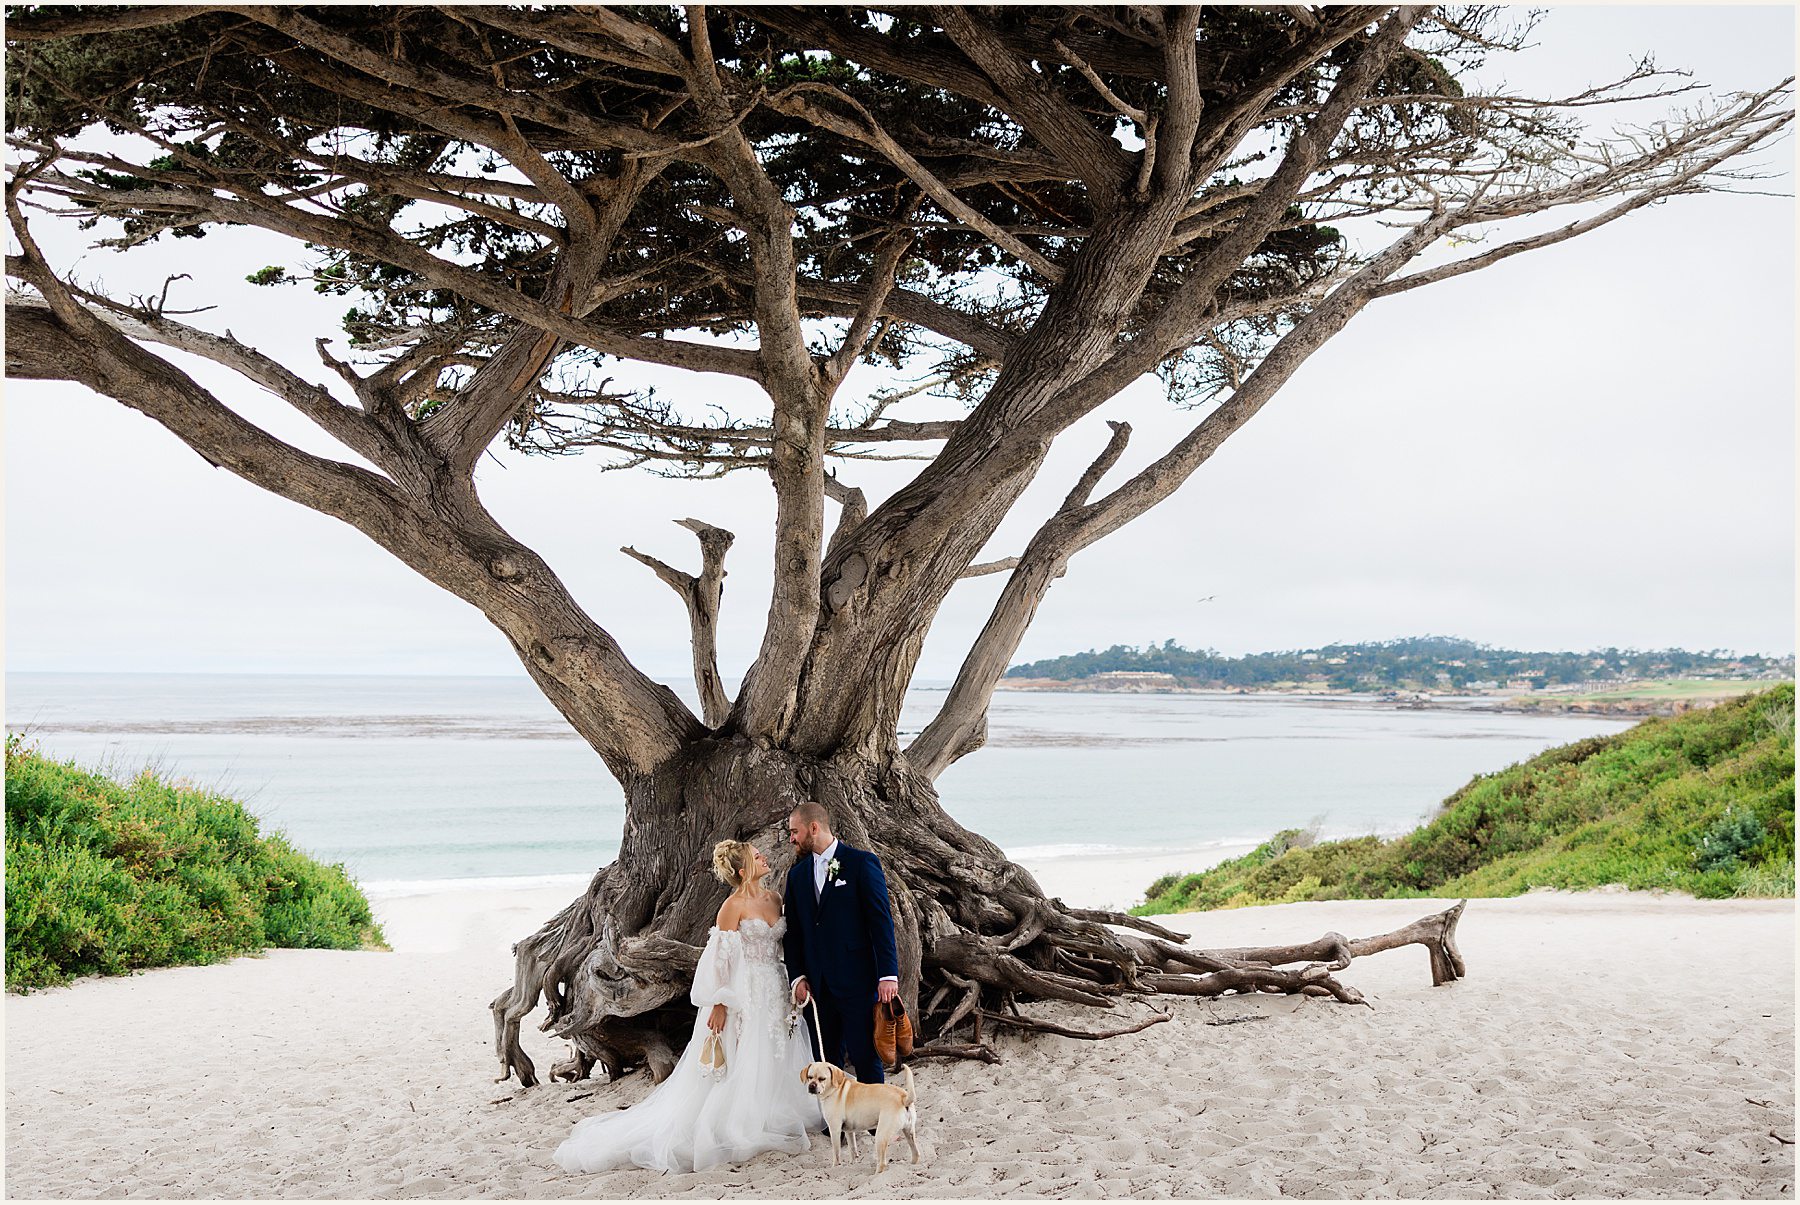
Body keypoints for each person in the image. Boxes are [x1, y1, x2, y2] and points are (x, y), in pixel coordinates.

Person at [552, 840, 819, 1175]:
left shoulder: (775, 899)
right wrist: (720, 1002)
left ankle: (773, 1108)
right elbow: (718, 961)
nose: (764, 857)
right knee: (744, 1052)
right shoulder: (731, 907)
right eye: (756, 856)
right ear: (742, 869)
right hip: (743, 991)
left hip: (774, 987)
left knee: (774, 1047)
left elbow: (787, 945)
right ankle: (743, 1119)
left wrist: (795, 980)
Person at [783, 802, 901, 1083]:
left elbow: (881, 921)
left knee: (865, 1055)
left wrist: (888, 975)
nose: (792, 838)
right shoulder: (797, 876)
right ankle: (832, 1125)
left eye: (794, 831)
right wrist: (797, 977)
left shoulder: (861, 863)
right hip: (817, 986)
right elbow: (793, 932)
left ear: (814, 827)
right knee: (825, 1059)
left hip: (857, 981)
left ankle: (875, 1125)